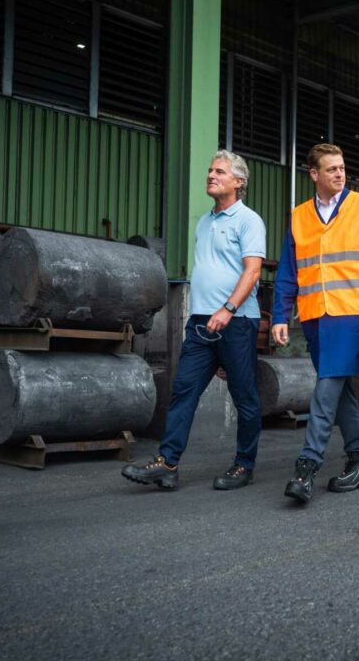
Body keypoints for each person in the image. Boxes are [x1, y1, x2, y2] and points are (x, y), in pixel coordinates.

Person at [121, 150, 266, 492]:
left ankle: (244, 465)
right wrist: (209, 315)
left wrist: (227, 309)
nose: (211, 175)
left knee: (244, 396)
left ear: (238, 182)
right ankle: (167, 464)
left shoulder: (248, 220)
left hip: (237, 321)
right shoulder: (203, 222)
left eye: (219, 171)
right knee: (183, 390)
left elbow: (253, 270)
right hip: (202, 324)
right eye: (210, 170)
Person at [272, 143, 359, 504]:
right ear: (314, 174)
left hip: (352, 313)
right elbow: (288, 271)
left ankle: (306, 466)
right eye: (331, 169)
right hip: (314, 316)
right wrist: (281, 315)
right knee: (341, 393)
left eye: (342, 168)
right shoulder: (299, 216)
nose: (339, 174)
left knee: (326, 391)